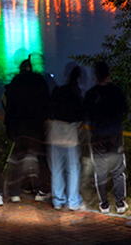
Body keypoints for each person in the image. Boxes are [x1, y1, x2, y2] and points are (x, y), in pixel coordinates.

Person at [2, 57, 51, 203]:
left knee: (17, 159)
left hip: (17, 128)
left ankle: (15, 192)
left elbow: (8, 104)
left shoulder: (15, 82)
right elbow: (46, 104)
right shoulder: (40, 82)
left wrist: (9, 127)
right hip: (35, 128)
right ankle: (40, 189)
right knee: (40, 159)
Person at [83, 60, 129, 214]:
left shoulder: (91, 94)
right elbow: (125, 111)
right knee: (117, 171)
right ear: (109, 74)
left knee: (100, 172)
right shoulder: (117, 91)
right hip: (115, 135)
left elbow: (86, 115)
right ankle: (120, 204)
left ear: (95, 76)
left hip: (98, 137)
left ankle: (104, 205)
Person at [48, 65, 85, 211]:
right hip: (70, 136)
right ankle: (73, 201)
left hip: (55, 134)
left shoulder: (58, 91)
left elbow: (49, 110)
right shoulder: (77, 94)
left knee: (56, 170)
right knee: (73, 169)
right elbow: (81, 115)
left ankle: (58, 200)